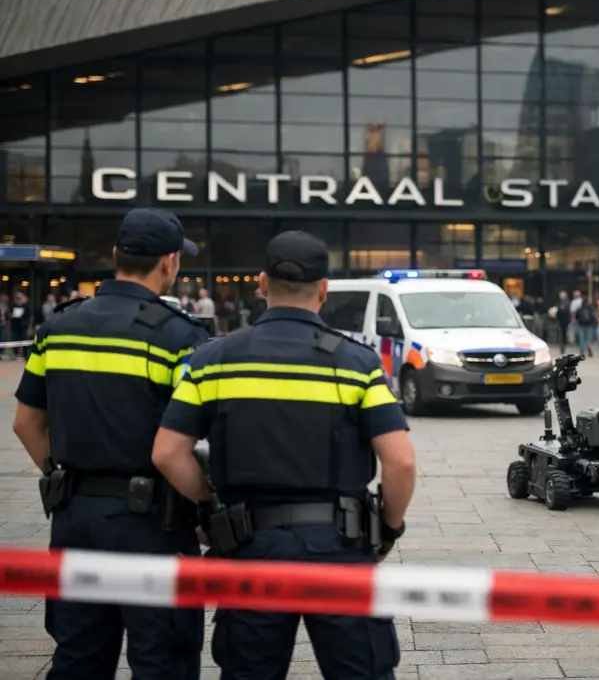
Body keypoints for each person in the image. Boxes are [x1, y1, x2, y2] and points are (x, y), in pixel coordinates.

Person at [152, 230, 417, 680]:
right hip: (340, 548)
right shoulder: (356, 364)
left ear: (260, 284)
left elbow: (166, 453)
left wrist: (208, 502)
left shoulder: (215, 359)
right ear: (324, 290)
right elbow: (401, 461)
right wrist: (388, 528)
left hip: (250, 546)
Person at [10, 207, 209, 679]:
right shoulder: (180, 337)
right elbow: (188, 438)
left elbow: (25, 422)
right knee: (163, 661)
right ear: (169, 262)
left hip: (75, 519)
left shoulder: (57, 327)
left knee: (78, 657)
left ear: (117, 255)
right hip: (152, 525)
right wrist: (201, 497)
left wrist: (62, 475)